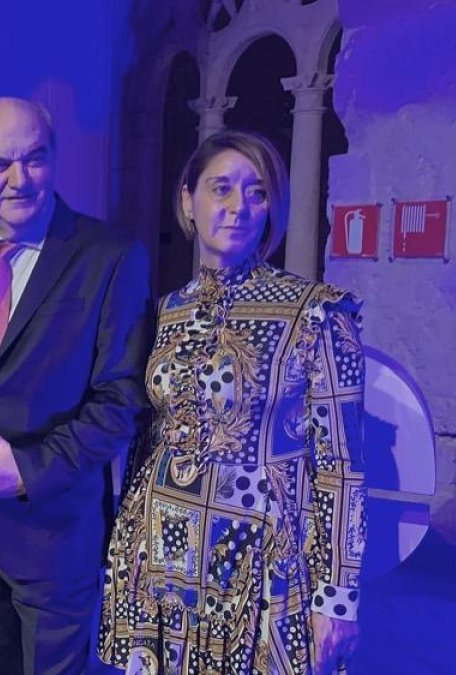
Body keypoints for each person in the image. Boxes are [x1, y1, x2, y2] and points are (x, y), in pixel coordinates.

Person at [98, 129, 366, 675]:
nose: (238, 207)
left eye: (257, 192)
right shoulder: (167, 309)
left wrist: (338, 599)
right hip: (160, 559)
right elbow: (150, 434)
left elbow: (341, 467)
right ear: (187, 200)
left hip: (258, 565)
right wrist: (123, 554)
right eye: (221, 188)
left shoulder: (316, 312)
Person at [0, 96, 154, 674]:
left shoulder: (111, 256)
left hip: (56, 533)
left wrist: (30, 468)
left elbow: (121, 402)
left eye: (34, 159)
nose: (19, 179)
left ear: (53, 160)